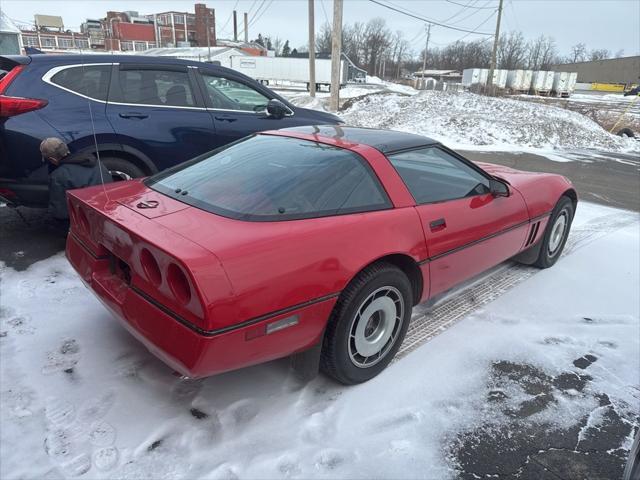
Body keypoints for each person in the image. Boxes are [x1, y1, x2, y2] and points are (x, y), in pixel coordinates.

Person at [39, 137, 112, 221]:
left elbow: (60, 212)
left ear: (52, 159)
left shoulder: (58, 176)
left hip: (89, 218)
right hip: (107, 208)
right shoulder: (93, 160)